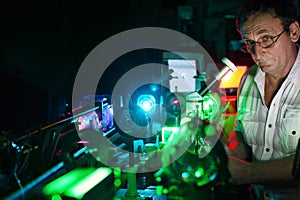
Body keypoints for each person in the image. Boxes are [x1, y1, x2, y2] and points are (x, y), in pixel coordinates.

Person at [226, 0, 300, 199]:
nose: (257, 54)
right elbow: (240, 135)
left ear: (293, 32)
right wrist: (226, 153)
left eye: (266, 38)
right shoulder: (248, 79)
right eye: (249, 43)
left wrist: (245, 173)